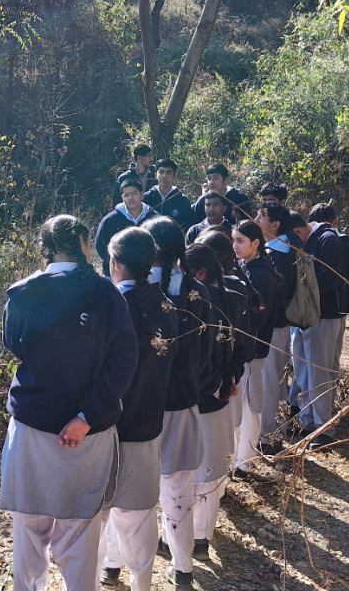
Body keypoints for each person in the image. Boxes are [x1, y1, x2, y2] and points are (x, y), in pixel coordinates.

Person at [0, 215, 139, 591]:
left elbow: (14, 347)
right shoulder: (107, 293)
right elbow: (124, 361)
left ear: (45, 247)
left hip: (31, 426)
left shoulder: (23, 293)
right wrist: (86, 416)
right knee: (81, 532)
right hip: (89, 434)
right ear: (82, 242)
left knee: (28, 528)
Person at [100, 227, 180, 591]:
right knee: (140, 512)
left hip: (105, 425)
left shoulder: (112, 305)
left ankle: (99, 574)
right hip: (148, 421)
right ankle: (141, 583)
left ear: (114, 264)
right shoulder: (167, 305)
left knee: (97, 515)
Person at [140, 217, 213, 590]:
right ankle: (183, 568)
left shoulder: (135, 290)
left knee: (132, 494)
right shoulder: (195, 292)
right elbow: (206, 350)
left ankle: (117, 566)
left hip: (139, 406)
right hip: (182, 401)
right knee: (179, 488)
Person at [186, 236, 249, 561]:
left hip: (195, 400)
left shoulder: (193, 303)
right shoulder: (236, 298)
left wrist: (215, 385)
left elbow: (193, 357)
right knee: (211, 475)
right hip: (222, 399)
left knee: (187, 475)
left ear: (198, 274)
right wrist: (230, 381)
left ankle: (180, 539)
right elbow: (244, 349)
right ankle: (201, 537)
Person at [288, 203, 347, 448]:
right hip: (305, 316)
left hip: (324, 315)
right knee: (302, 369)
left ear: (296, 230)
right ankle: (307, 420)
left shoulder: (327, 240)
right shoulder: (311, 240)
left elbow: (329, 279)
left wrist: (300, 292)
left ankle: (324, 428)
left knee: (319, 371)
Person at [232, 222, 279, 476]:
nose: (235, 246)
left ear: (256, 243)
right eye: (234, 240)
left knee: (251, 406)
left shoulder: (261, 273)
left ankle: (245, 461)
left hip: (253, 346)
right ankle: (240, 457)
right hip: (246, 346)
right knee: (244, 405)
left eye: (240, 241)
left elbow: (259, 315)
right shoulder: (245, 267)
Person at [254, 202, 298, 452]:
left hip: (275, 326)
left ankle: (268, 434)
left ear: (275, 224)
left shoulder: (280, 253)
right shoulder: (276, 249)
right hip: (277, 326)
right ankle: (276, 428)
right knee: (277, 379)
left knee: (271, 380)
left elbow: (279, 293)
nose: (258, 220)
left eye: (262, 217)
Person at [96, 177, 158, 274]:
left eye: (134, 194)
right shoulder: (110, 220)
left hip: (149, 273)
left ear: (142, 194)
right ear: (122, 198)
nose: (131, 198)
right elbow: (100, 246)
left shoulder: (154, 218)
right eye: (126, 195)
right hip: (117, 274)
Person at [144, 158, 194, 231]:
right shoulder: (147, 197)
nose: (164, 176)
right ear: (155, 175)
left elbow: (186, 226)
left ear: (174, 176)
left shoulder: (182, 200)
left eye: (169, 173)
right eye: (161, 172)